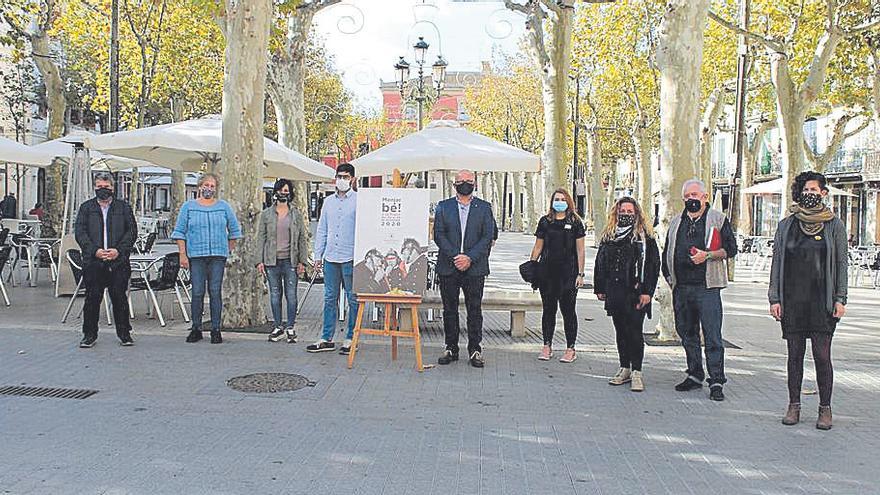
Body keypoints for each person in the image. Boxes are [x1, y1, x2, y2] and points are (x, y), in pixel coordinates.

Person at [769, 171, 847, 430]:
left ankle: (825, 409)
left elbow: (841, 265)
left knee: (822, 356)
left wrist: (840, 298)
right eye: (806, 190)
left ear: (824, 193)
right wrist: (774, 298)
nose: (810, 194)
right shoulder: (786, 225)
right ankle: (794, 406)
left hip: (822, 302)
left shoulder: (834, 224)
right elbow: (777, 262)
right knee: (794, 356)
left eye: (815, 190)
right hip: (793, 300)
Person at [662, 178, 738, 401]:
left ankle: (716, 380)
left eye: (695, 195)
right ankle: (694, 374)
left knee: (713, 336)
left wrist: (708, 256)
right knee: (687, 333)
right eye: (687, 196)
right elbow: (667, 251)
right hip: (681, 288)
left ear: (705, 197)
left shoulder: (718, 219)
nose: (690, 199)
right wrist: (670, 278)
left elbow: (730, 250)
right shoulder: (676, 222)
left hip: (707, 288)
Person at [594, 197, 660, 391]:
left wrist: (648, 292)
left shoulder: (645, 238)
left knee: (634, 332)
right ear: (616, 212)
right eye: (622, 211)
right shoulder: (609, 236)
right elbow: (600, 262)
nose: (626, 215)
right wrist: (600, 288)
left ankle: (637, 371)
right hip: (615, 292)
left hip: (636, 292)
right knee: (620, 332)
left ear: (637, 214)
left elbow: (653, 266)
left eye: (630, 212)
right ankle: (624, 368)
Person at [433, 169, 496, 368]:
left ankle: (475, 350)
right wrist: (456, 256)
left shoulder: (484, 208)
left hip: (475, 268)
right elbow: (438, 235)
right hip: (448, 267)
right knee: (449, 310)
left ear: (475, 184)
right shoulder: (443, 207)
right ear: (454, 184)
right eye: (461, 181)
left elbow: (488, 237)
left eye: (469, 180)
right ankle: (451, 348)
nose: (465, 184)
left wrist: (469, 257)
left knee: (474, 310)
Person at [171, 173, 242, 344]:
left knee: (215, 291)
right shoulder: (188, 207)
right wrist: (182, 254)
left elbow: (235, 230)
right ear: (199, 186)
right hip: (196, 256)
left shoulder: (223, 207)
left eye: (212, 186)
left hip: (218, 256)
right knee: (197, 292)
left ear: (216, 188)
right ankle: (196, 328)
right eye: (206, 185)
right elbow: (180, 232)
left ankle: (216, 329)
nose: (209, 188)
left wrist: (227, 249)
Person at [74, 172, 137, 348]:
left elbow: (131, 232)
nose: (103, 190)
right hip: (94, 262)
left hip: (118, 262)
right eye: (100, 187)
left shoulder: (123, 208)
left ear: (113, 188)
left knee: (119, 298)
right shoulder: (86, 208)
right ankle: (89, 335)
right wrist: (95, 251)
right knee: (92, 299)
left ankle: (125, 334)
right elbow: (80, 233)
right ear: (95, 187)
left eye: (107, 187)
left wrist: (119, 251)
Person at [528, 188, 586, 364]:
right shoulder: (545, 222)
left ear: (568, 201)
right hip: (547, 273)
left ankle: (570, 348)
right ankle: (547, 345)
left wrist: (581, 274)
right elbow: (538, 247)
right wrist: (532, 268)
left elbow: (581, 250)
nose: (559, 201)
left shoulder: (575, 222)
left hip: (568, 273)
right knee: (548, 310)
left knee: (568, 311)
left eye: (562, 198)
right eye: (556, 199)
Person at [308, 163, 358, 355]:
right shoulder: (328, 202)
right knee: (330, 298)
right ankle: (326, 337)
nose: (341, 180)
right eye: (339, 176)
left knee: (352, 298)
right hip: (331, 257)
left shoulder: (359, 201)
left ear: (352, 179)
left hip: (350, 257)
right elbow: (322, 230)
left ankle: (351, 337)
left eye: (345, 177)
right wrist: (317, 256)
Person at [256, 178, 309, 344]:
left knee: (291, 295)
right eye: (281, 190)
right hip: (271, 261)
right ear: (275, 192)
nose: (283, 193)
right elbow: (261, 238)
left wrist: (303, 261)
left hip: (290, 261)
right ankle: (278, 326)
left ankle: (291, 327)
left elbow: (302, 238)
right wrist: (259, 261)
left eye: (286, 191)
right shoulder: (266, 214)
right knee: (275, 294)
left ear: (290, 193)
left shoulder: (296, 214)